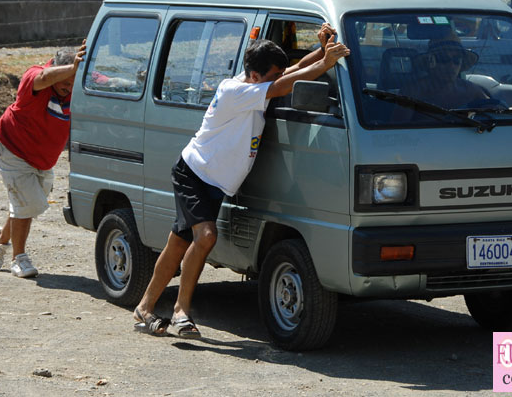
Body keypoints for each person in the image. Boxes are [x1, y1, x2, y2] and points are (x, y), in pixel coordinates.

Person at [133, 23, 350, 338]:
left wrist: (321, 48)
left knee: (179, 242)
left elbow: (295, 69)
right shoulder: (235, 91)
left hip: (215, 182)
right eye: (273, 75)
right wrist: (326, 63)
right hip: (194, 173)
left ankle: (144, 308)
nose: (279, 78)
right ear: (255, 76)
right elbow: (282, 86)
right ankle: (181, 312)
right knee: (205, 237)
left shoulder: (257, 82)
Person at [0, 40, 87, 278]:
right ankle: (18, 259)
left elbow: (106, 81)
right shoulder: (34, 77)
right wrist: (71, 69)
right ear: (57, 69)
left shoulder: (74, 82)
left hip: (41, 158)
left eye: (74, 82)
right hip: (12, 148)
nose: (69, 87)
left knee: (25, 202)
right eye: (66, 81)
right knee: (28, 203)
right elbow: (43, 77)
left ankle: (0, 238)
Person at [401, 32, 512, 115]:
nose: (451, 65)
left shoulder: (471, 91)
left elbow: (503, 113)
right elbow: (397, 135)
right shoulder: (414, 92)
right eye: (444, 58)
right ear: (431, 62)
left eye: (456, 59)